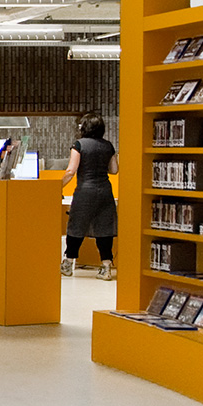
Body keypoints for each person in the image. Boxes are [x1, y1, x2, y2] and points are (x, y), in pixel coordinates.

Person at [59, 110, 119, 280]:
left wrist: (57, 187)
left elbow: (71, 171)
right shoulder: (108, 146)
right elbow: (114, 170)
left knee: (76, 226)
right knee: (104, 229)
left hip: (85, 191)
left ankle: (68, 263)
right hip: (105, 191)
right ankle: (106, 267)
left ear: (84, 127)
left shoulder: (79, 145)